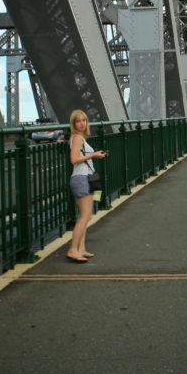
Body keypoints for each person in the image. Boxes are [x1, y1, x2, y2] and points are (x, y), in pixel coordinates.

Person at [67, 109, 107, 262]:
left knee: (85, 216)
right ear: (73, 124)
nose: (82, 123)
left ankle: (81, 249)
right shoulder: (77, 138)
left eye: (84, 120)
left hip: (84, 178)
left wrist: (93, 155)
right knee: (86, 216)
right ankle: (73, 250)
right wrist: (93, 155)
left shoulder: (80, 138)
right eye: (78, 121)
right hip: (81, 178)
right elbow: (74, 159)